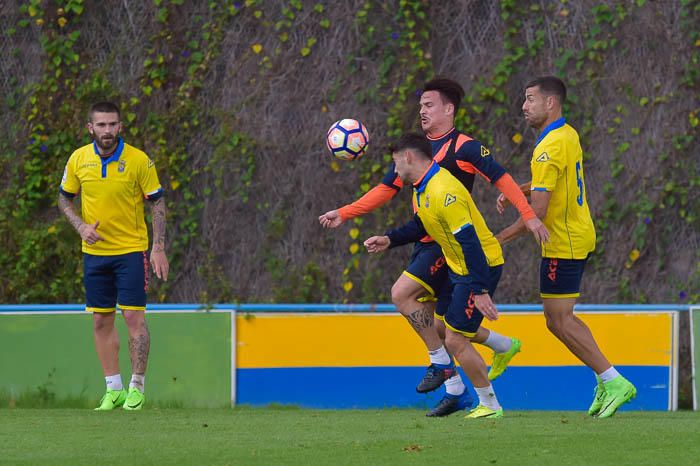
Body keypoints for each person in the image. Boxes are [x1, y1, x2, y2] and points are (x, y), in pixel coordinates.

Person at [320, 77, 548, 416]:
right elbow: (386, 190)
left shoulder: (464, 148)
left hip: (449, 246)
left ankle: (452, 375)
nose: (422, 111)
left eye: (429, 105)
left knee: (403, 296)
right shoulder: (414, 153)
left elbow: (502, 179)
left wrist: (528, 215)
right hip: (426, 238)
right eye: (421, 105)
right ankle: (487, 359)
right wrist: (346, 213)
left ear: (448, 109)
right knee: (440, 325)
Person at [495, 76, 636, 418]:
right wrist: (521, 189)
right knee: (562, 318)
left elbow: (538, 214)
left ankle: (614, 380)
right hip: (577, 234)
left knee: (558, 320)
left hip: (563, 242)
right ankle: (606, 378)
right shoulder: (566, 133)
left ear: (550, 103)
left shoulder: (546, 148)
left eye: (530, 99)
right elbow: (554, 181)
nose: (524, 106)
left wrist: (497, 239)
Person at [365, 133, 507, 418]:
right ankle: (501, 348)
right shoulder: (424, 187)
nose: (395, 171)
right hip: (460, 268)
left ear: (408, 157)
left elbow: (470, 242)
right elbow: (422, 224)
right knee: (444, 330)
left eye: (395, 163)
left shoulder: (444, 190)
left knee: (455, 339)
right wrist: (389, 239)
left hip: (479, 265)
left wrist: (479, 290)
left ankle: (490, 405)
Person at [58, 101, 169, 411]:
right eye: (101, 125)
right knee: (100, 321)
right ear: (90, 128)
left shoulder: (138, 160)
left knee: (133, 317)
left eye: (113, 125)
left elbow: (158, 203)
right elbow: (64, 199)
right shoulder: (79, 159)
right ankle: (113, 389)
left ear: (120, 126)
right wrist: (80, 226)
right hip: (94, 254)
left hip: (131, 251)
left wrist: (157, 248)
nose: (107, 130)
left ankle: (137, 387)